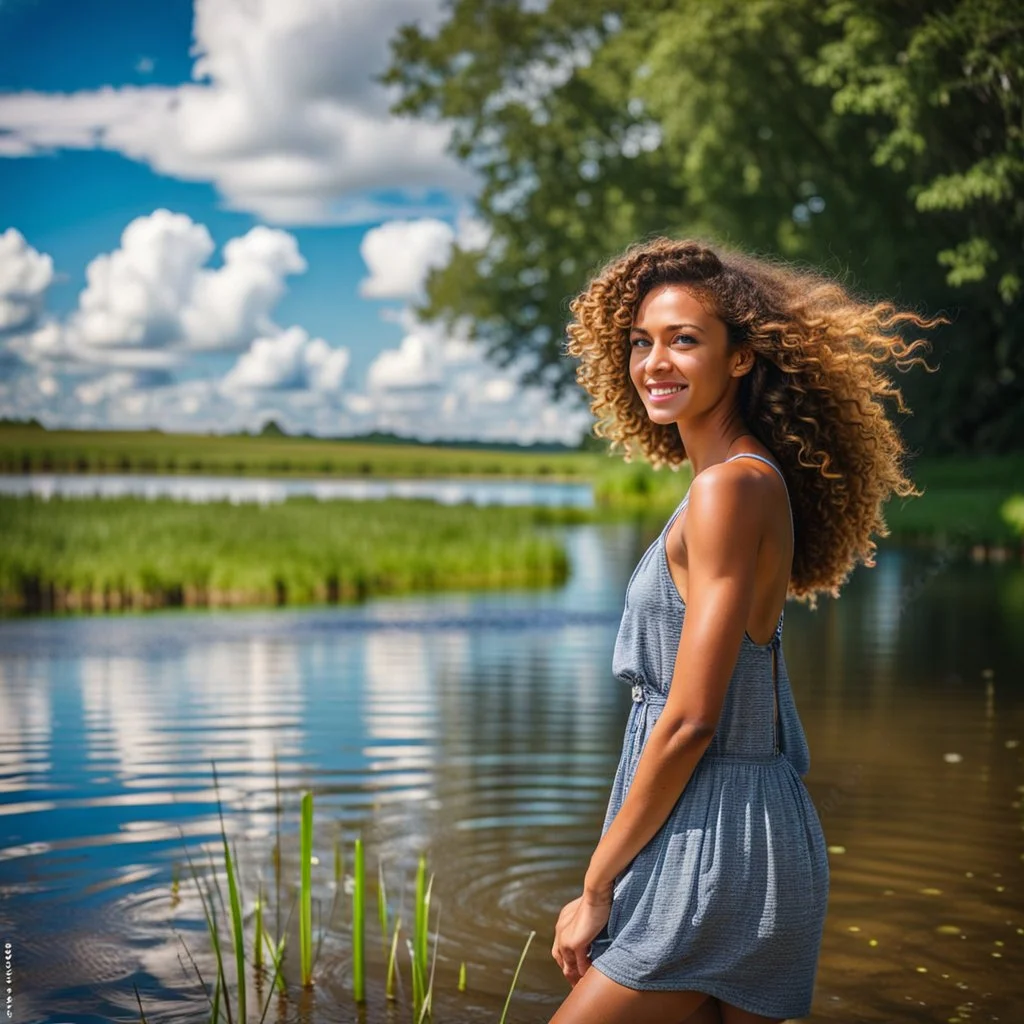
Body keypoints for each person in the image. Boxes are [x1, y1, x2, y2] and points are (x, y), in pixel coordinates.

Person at [551, 238, 935, 1024]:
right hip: (743, 832)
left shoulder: (730, 491)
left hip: (717, 845)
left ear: (739, 359)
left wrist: (593, 889)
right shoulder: (738, 481)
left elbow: (691, 719)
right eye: (640, 341)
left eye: (684, 339)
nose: (654, 361)